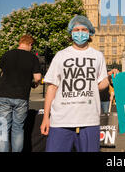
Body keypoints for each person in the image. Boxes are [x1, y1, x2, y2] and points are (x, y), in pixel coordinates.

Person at [40, 15, 119, 152]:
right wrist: (46, 117)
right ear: (71, 33)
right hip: (61, 120)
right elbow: (52, 87)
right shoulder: (61, 55)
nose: (80, 32)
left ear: (89, 33)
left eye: (83, 29)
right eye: (76, 30)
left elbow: (99, 85)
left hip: (89, 120)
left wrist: (109, 78)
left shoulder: (97, 55)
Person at [0, 34, 42, 152]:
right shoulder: (33, 58)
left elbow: (2, 73)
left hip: (3, 95)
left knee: (2, 129)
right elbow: (37, 77)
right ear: (30, 44)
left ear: (20, 42)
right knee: (18, 129)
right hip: (21, 96)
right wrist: (33, 83)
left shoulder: (6, 54)